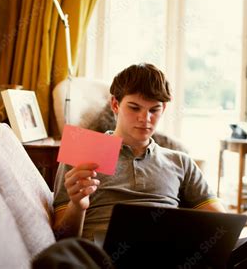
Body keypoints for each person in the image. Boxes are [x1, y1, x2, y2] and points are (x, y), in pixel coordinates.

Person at [52, 63, 225, 240]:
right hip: (100, 256)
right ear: (115, 105)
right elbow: (61, 238)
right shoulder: (83, 153)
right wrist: (77, 205)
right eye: (134, 108)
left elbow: (223, 226)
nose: (145, 118)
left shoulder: (181, 162)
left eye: (154, 110)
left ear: (163, 109)